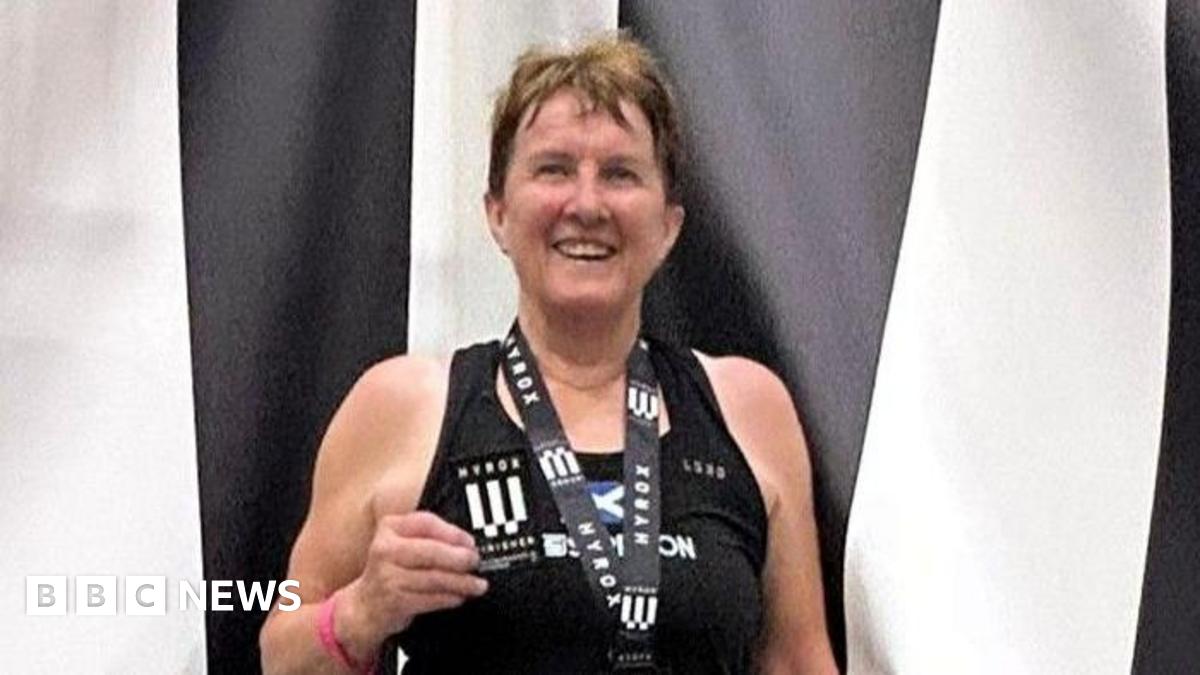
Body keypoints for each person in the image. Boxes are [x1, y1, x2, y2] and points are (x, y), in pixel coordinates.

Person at [260, 34, 838, 674]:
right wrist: (360, 612)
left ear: (668, 227)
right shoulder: (399, 406)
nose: (587, 205)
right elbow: (280, 657)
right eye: (554, 169)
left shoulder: (749, 407)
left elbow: (798, 662)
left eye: (620, 173)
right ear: (498, 213)